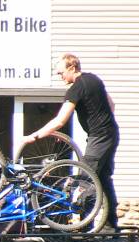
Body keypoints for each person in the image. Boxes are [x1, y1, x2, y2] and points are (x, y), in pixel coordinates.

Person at [20, 53, 120, 232]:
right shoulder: (94, 79)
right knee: (103, 179)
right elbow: (111, 105)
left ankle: (85, 225)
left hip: (99, 137)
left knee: (86, 179)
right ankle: (110, 225)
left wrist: (34, 136)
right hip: (110, 134)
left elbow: (60, 121)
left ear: (72, 68)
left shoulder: (76, 89)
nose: (60, 77)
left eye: (61, 73)